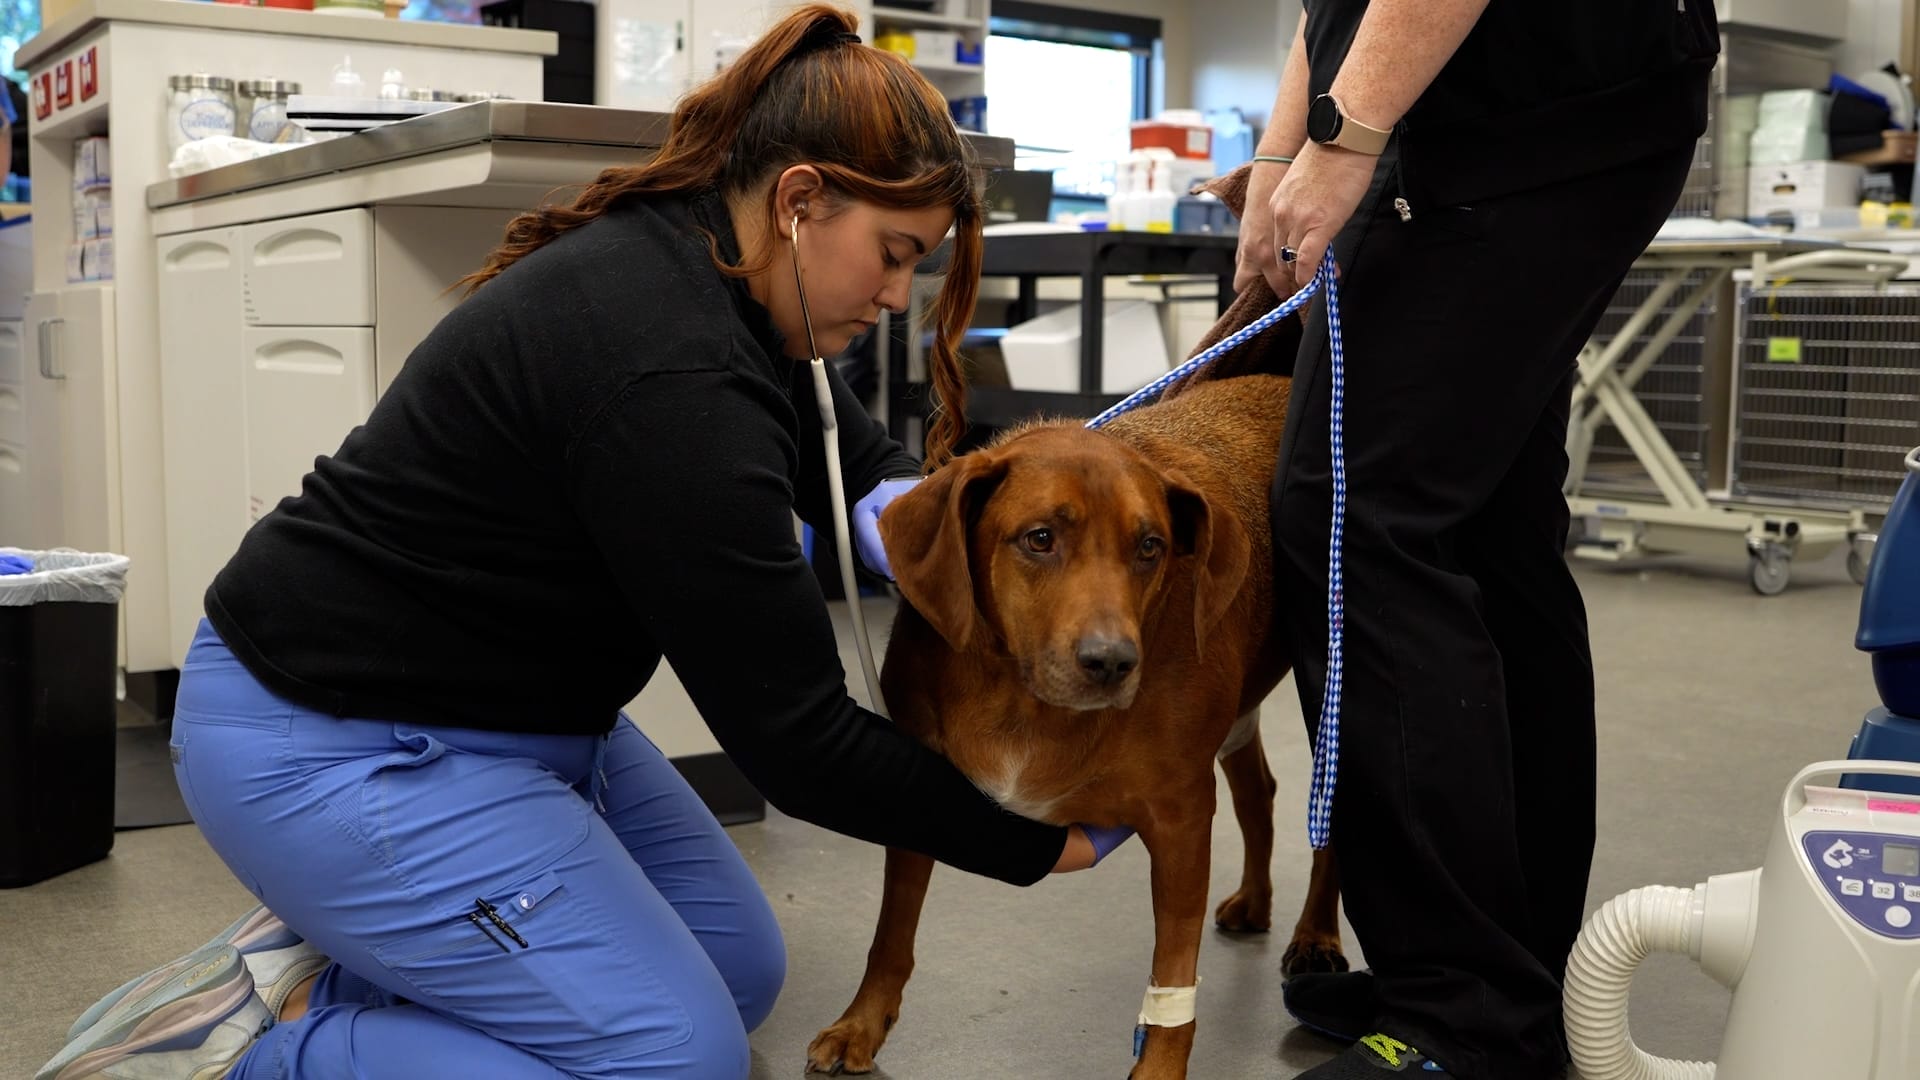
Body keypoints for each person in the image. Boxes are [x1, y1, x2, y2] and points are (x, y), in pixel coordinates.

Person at [35, 9, 1121, 1079]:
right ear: (799, 201)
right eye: (892, 255)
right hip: (332, 738)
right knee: (671, 1058)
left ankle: (326, 976)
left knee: (734, 971)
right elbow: (800, 743)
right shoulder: (673, 372)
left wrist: (907, 515)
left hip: (521, 722)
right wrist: (1034, 844)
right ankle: (250, 1059)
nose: (895, 297)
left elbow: (848, 443)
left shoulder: (729, 274)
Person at [1239, 2, 1719, 1078]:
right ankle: (1512, 970)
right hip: (1536, 113)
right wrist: (1282, 158)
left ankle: (1462, 1015)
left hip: (1514, 114)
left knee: (1360, 517)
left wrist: (1343, 141)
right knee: (1488, 533)